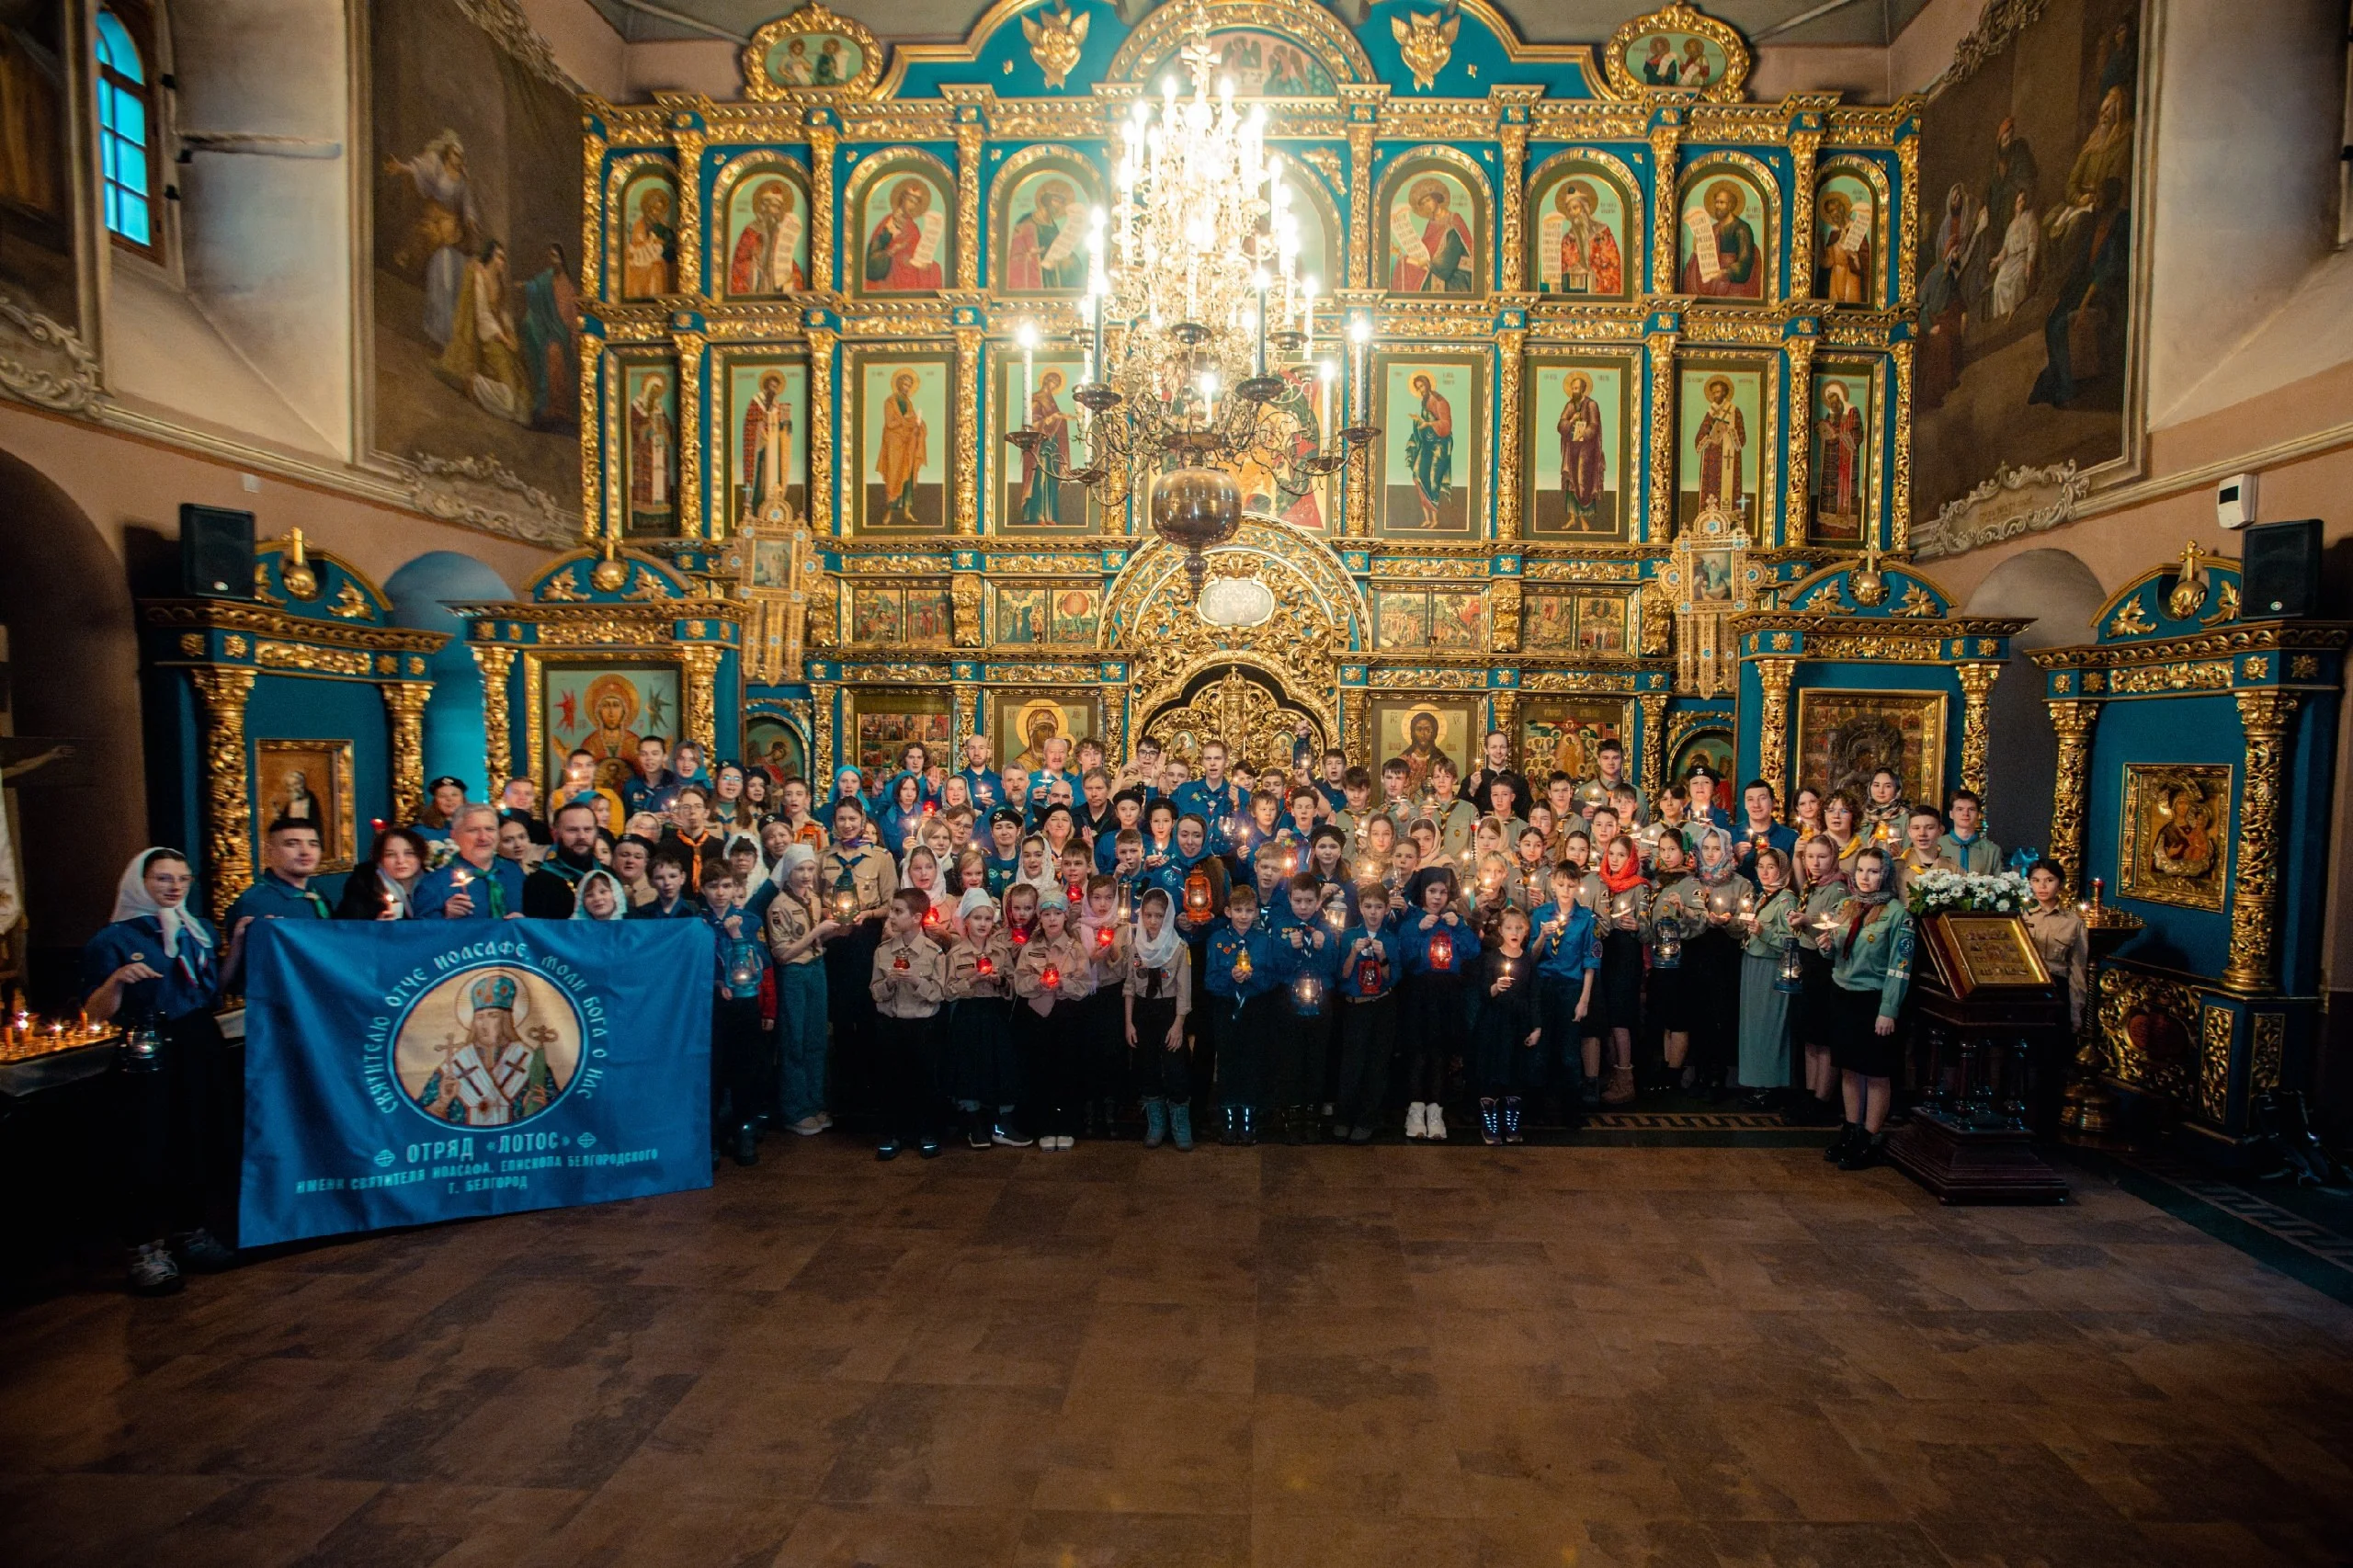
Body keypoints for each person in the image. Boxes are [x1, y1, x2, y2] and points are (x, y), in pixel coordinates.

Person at [82, 848, 237, 1296]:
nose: (174, 887)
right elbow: (95, 1013)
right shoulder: (112, 939)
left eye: (182, 880)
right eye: (162, 879)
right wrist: (116, 982)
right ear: (138, 882)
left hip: (198, 1041)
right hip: (149, 1046)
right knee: (147, 1145)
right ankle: (144, 1249)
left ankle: (190, 1233)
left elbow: (212, 990)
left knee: (197, 1138)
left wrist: (239, 944)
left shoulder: (198, 930)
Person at [1820, 846, 1915, 1170]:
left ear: (1885, 874)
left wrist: (1888, 1009)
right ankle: (1851, 1128)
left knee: (1875, 1071)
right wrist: (1828, 946)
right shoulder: (1846, 906)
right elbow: (1839, 951)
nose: (1866, 877)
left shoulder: (1897, 914)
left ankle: (1871, 1137)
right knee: (1848, 1066)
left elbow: (1899, 967)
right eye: (1861, 870)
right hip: (1843, 994)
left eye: (1874, 871)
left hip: (1873, 999)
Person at [764, 844, 838, 1137]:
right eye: (800, 869)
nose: (807, 875)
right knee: (795, 1039)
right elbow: (783, 954)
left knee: (816, 1037)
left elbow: (818, 942)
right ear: (788, 872)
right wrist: (818, 931)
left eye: (810, 869)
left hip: (816, 969)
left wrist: (838, 929)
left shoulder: (816, 900)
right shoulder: (779, 906)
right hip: (794, 973)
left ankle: (815, 1102)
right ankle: (795, 1109)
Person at [1398, 869, 1477, 1141]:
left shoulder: (1454, 922)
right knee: (1419, 1052)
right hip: (1420, 994)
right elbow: (1406, 959)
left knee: (1440, 1054)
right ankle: (1415, 1109)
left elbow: (1473, 951)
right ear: (1422, 893)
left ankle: (1435, 1110)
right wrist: (1419, 932)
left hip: (1447, 995)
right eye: (1432, 891)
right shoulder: (1412, 922)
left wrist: (1459, 927)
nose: (1437, 897)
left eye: (1442, 892)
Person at [870, 889, 948, 1160]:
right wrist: (889, 982)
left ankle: (927, 1132)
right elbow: (875, 991)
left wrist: (916, 981)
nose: (891, 916)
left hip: (923, 1026)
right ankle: (893, 1134)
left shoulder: (933, 952)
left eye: (898, 911)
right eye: (891, 910)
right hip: (892, 1025)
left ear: (917, 918)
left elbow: (940, 993)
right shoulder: (883, 951)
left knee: (925, 1080)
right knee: (892, 1081)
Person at [701, 861, 770, 1166]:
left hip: (744, 1005)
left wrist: (739, 934)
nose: (720, 892)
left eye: (726, 886)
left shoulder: (749, 920)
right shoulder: (696, 924)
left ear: (736, 888)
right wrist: (714, 982)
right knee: (715, 1074)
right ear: (702, 889)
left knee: (745, 1073)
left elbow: (760, 966)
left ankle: (744, 1131)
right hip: (712, 1008)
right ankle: (712, 1137)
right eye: (713, 886)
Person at [1013, 885, 1093, 1150]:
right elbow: (1020, 982)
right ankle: (1046, 1125)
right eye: (1046, 914)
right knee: (1042, 1071)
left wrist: (1062, 985)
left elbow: (1084, 985)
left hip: (1067, 1016)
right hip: (1038, 1018)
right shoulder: (1030, 948)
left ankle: (1067, 1125)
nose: (1052, 919)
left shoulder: (1076, 949)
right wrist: (1038, 982)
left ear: (1065, 916)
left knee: (1067, 1071)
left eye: (1057, 913)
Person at [1267, 872, 1341, 1145]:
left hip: (1320, 1002)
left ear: (1318, 900)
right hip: (1289, 1001)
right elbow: (1275, 965)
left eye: (1309, 901)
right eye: (1298, 900)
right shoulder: (1281, 926)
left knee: (1316, 1058)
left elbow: (1335, 969)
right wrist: (1289, 948)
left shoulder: (1327, 926)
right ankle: (1292, 1112)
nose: (1303, 906)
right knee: (1291, 1058)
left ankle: (1312, 1114)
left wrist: (1323, 948)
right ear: (1289, 899)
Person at [1203, 882, 1280, 1145]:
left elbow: (1271, 977)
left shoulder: (1262, 941)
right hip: (1226, 1009)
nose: (1244, 916)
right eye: (1238, 910)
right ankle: (1227, 1124)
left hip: (1254, 1008)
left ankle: (1248, 1124)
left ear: (1256, 912)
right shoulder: (1218, 940)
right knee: (1227, 1063)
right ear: (1228, 911)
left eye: (1249, 910)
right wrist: (1230, 976)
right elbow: (1210, 979)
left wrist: (1252, 976)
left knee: (1251, 1064)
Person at [1329, 881, 1401, 1143]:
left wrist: (1382, 957)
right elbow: (1343, 974)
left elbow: (1391, 979)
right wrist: (1352, 952)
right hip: (1355, 1006)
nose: (1373, 912)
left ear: (1386, 909)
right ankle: (1343, 1116)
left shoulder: (1391, 939)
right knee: (1351, 1064)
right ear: (1359, 908)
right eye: (1368, 906)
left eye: (1379, 907)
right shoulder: (1349, 936)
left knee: (1376, 1064)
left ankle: (1367, 1118)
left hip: (1381, 1006)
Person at [1529, 863, 1600, 1121]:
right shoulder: (1540, 915)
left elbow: (1590, 962)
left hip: (1571, 987)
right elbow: (1531, 958)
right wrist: (1540, 937)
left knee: (1570, 1050)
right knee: (1541, 1048)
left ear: (1578, 886)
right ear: (1553, 885)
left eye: (1571, 885)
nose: (1565, 890)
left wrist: (1584, 1000)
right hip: (1545, 985)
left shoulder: (1586, 919)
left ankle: (1572, 1108)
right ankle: (1537, 1107)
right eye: (1561, 885)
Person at [1125, 887, 1194, 1151]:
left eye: (1159, 916)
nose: (1153, 921)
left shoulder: (1178, 947)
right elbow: (1130, 987)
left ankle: (1180, 1121)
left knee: (1175, 1066)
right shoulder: (1136, 947)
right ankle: (1155, 1122)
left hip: (1168, 1012)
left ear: (1168, 917)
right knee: (1147, 1065)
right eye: (1148, 915)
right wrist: (1129, 1022)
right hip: (1143, 1011)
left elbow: (1184, 991)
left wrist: (1178, 1024)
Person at [1788, 834, 1848, 1126]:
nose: (1815, 862)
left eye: (1822, 857)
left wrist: (1806, 920)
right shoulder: (1813, 885)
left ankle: (1823, 1099)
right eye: (1810, 856)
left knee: (1823, 1038)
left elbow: (1835, 923)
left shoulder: (1837, 888)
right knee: (1810, 1036)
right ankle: (1809, 1094)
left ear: (1833, 858)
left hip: (1824, 966)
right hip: (1808, 961)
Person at [1472, 907, 1544, 1145]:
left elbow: (1534, 995)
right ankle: (1490, 1126)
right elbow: (1481, 992)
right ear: (1501, 931)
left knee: (1515, 1075)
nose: (1515, 932)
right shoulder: (1490, 958)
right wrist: (1495, 987)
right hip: (1494, 1025)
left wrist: (1536, 1027)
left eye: (1520, 928)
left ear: (1526, 931)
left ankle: (1512, 1125)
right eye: (1510, 928)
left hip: (1517, 1026)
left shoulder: (1527, 961)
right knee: (1492, 1074)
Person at [1736, 846, 1800, 1108]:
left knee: (1768, 1026)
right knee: (1753, 1026)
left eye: (1771, 867)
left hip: (1770, 967)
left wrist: (1764, 933)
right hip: (1752, 962)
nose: (1764, 872)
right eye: (1761, 866)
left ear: (1782, 871)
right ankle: (1756, 1081)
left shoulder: (1786, 900)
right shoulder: (1763, 897)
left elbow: (1791, 940)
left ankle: (1770, 1085)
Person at [1591, 835, 1649, 1105]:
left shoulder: (1639, 888)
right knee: (1608, 1017)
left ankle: (1626, 1079)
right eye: (1611, 854)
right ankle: (1612, 1075)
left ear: (1631, 859)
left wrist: (1636, 926)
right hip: (1606, 953)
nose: (1614, 860)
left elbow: (1649, 930)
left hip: (1626, 955)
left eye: (1621, 855)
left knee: (1621, 1018)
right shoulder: (1600, 883)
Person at [413, 804, 527, 920]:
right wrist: (444, 916)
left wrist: (526, 922)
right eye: (473, 830)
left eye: (490, 829)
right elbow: (420, 932)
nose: (483, 837)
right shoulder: (434, 884)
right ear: (454, 836)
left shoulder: (514, 873)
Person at [523, 801, 604, 918]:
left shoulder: (607, 874)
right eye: (572, 830)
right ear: (556, 834)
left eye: (588, 829)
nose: (581, 836)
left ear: (596, 833)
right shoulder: (539, 882)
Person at [336, 826, 427, 919]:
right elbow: (347, 927)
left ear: (421, 855)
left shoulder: (433, 882)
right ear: (380, 859)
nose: (400, 861)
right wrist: (377, 925)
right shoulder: (363, 887)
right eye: (390, 854)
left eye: (409, 853)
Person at [1463, 730, 1531, 822]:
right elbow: (1461, 813)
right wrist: (1472, 789)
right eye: (1493, 747)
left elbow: (1527, 814)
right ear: (1486, 750)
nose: (1498, 751)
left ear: (1508, 750)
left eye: (1502, 747)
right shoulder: (1471, 780)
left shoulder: (1520, 781)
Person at [626, 844, 700, 919]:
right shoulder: (642, 914)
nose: (667, 882)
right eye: (660, 878)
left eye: (673, 876)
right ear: (651, 882)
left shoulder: (695, 912)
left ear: (682, 878)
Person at [1938, 790, 2003, 872]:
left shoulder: (1992, 851)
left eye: (1971, 809)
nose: (1965, 814)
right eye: (1960, 809)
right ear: (1951, 814)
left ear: (1978, 814)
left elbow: (1998, 883)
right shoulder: (1936, 846)